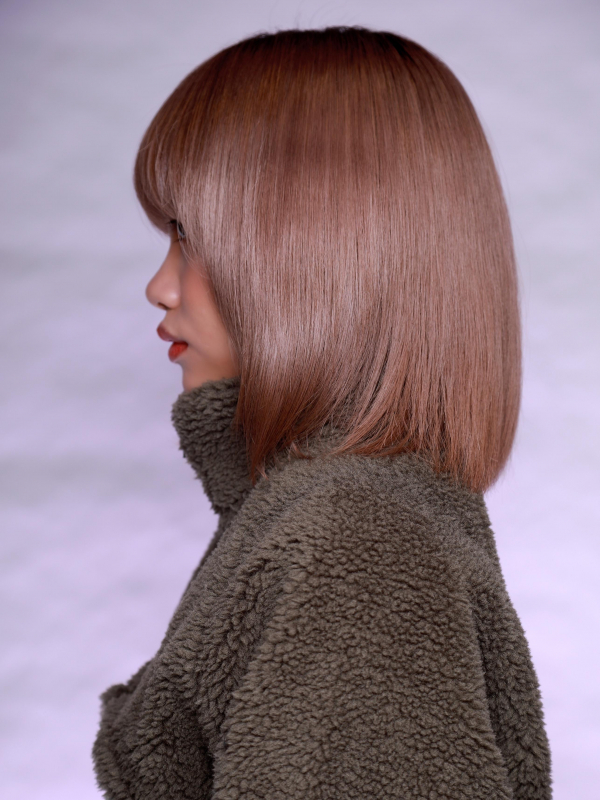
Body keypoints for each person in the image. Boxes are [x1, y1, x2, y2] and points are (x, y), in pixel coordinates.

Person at [92, 27, 552, 799]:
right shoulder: (324, 517)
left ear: (310, 250)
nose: (160, 287)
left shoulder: (356, 541)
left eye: (188, 235)